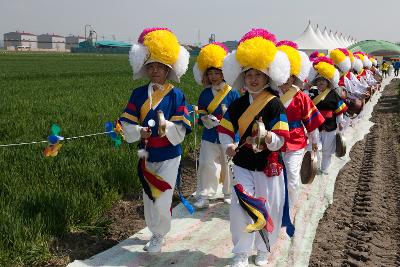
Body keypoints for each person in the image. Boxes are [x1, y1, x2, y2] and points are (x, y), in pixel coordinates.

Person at [218, 28, 294, 267]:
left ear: (268, 76)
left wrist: (268, 137)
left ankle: (263, 250)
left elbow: (282, 138)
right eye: (248, 74)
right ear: (243, 77)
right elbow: (224, 129)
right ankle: (241, 252)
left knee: (267, 207)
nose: (253, 79)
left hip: (268, 166)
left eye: (258, 74)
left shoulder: (275, 105)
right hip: (242, 164)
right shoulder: (238, 103)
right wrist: (229, 144)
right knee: (241, 208)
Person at [119, 27, 191, 253]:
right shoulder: (138, 94)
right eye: (151, 66)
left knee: (162, 198)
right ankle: (154, 232)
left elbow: (181, 130)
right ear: (145, 68)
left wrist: (165, 126)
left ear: (169, 69)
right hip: (146, 155)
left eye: (160, 66)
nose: (155, 70)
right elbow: (126, 123)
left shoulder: (177, 95)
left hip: (169, 156)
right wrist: (138, 132)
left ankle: (160, 235)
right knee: (149, 197)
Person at [274, 41, 325, 208]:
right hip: (273, 140)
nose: (285, 79)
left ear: (293, 76)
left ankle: (289, 207)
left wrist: (315, 143)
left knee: (293, 176)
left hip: (295, 141)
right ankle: (276, 204)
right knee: (274, 176)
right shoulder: (269, 96)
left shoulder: (302, 97)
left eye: (289, 75)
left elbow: (311, 123)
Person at [192, 42, 240, 208]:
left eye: (216, 73)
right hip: (210, 134)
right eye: (210, 73)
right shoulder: (205, 93)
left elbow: (239, 115)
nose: (213, 76)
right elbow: (201, 112)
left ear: (223, 73)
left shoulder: (233, 92)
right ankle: (204, 195)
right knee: (206, 164)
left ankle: (228, 193)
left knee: (228, 165)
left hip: (229, 135)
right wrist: (206, 119)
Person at [307, 57, 348, 175]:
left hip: (330, 125)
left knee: (327, 150)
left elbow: (339, 110)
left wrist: (340, 121)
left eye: (323, 81)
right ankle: (315, 167)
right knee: (315, 147)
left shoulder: (333, 94)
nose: (320, 83)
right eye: (318, 80)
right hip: (315, 125)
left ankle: (324, 169)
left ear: (328, 82)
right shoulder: (311, 93)